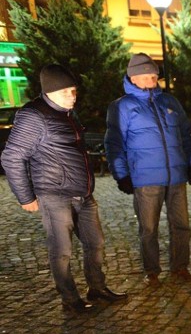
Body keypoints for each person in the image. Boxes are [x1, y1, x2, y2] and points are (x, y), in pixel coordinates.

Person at [1, 64, 126, 312]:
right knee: (62, 250)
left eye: (74, 90)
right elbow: (11, 157)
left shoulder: (67, 113)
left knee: (95, 243)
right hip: (54, 194)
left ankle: (97, 288)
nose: (72, 96)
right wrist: (26, 197)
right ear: (49, 92)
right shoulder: (33, 116)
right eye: (65, 91)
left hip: (83, 193)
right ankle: (70, 299)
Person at [105, 53, 191, 286]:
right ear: (133, 78)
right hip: (145, 179)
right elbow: (114, 143)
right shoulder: (122, 107)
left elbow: (186, 134)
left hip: (176, 176)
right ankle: (152, 271)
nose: (151, 81)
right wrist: (122, 174)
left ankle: (180, 267)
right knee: (149, 228)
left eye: (154, 77)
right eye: (146, 77)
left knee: (182, 226)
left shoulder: (170, 102)